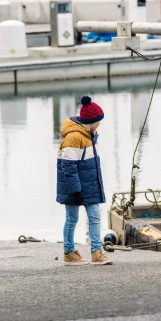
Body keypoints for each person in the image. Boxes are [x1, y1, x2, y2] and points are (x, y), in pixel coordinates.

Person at [57, 96, 113, 266]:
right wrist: (75, 190)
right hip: (75, 187)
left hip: (89, 184)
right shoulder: (74, 138)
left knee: (95, 216)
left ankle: (96, 252)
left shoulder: (90, 136)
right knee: (72, 218)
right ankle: (68, 252)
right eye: (99, 121)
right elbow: (68, 167)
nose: (100, 124)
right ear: (92, 121)